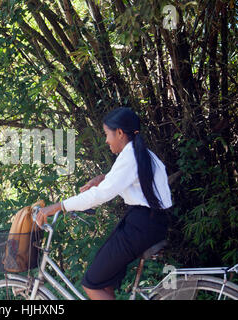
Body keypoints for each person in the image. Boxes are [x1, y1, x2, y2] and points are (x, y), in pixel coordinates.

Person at [36, 107, 172, 300]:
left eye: (107, 134)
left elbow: (99, 195)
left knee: (91, 283)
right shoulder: (141, 153)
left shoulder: (131, 156)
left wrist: (59, 206)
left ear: (120, 133)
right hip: (148, 223)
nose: (106, 140)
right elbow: (129, 178)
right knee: (102, 281)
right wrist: (103, 177)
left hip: (141, 226)